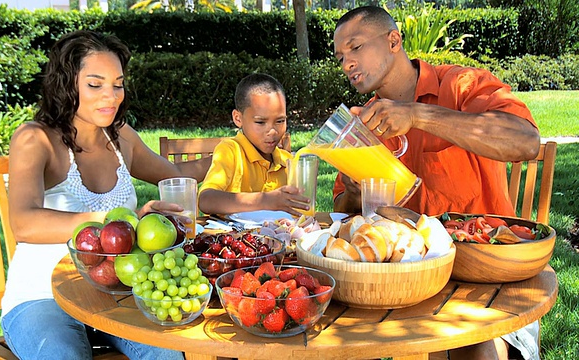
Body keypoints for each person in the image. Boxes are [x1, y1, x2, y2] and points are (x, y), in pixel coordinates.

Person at [331, 6, 541, 360]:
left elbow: (525, 141)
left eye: (355, 48)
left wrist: (418, 115)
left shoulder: (461, 85)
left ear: (393, 40)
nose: (347, 63)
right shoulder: (365, 123)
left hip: (484, 277)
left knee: (471, 347)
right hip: (405, 286)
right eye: (340, 57)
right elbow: (340, 210)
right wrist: (354, 194)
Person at [2, 30, 210, 359]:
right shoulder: (34, 139)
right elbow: (24, 224)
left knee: (172, 355)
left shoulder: (121, 138)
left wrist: (235, 152)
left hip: (117, 296)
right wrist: (121, 221)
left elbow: (179, 177)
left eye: (118, 84)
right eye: (95, 84)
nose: (111, 96)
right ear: (67, 84)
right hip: (42, 298)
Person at [198, 73, 309, 216]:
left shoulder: (286, 162)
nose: (272, 131)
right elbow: (206, 200)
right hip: (234, 236)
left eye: (280, 121)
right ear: (238, 118)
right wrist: (266, 201)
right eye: (260, 122)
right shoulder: (231, 151)